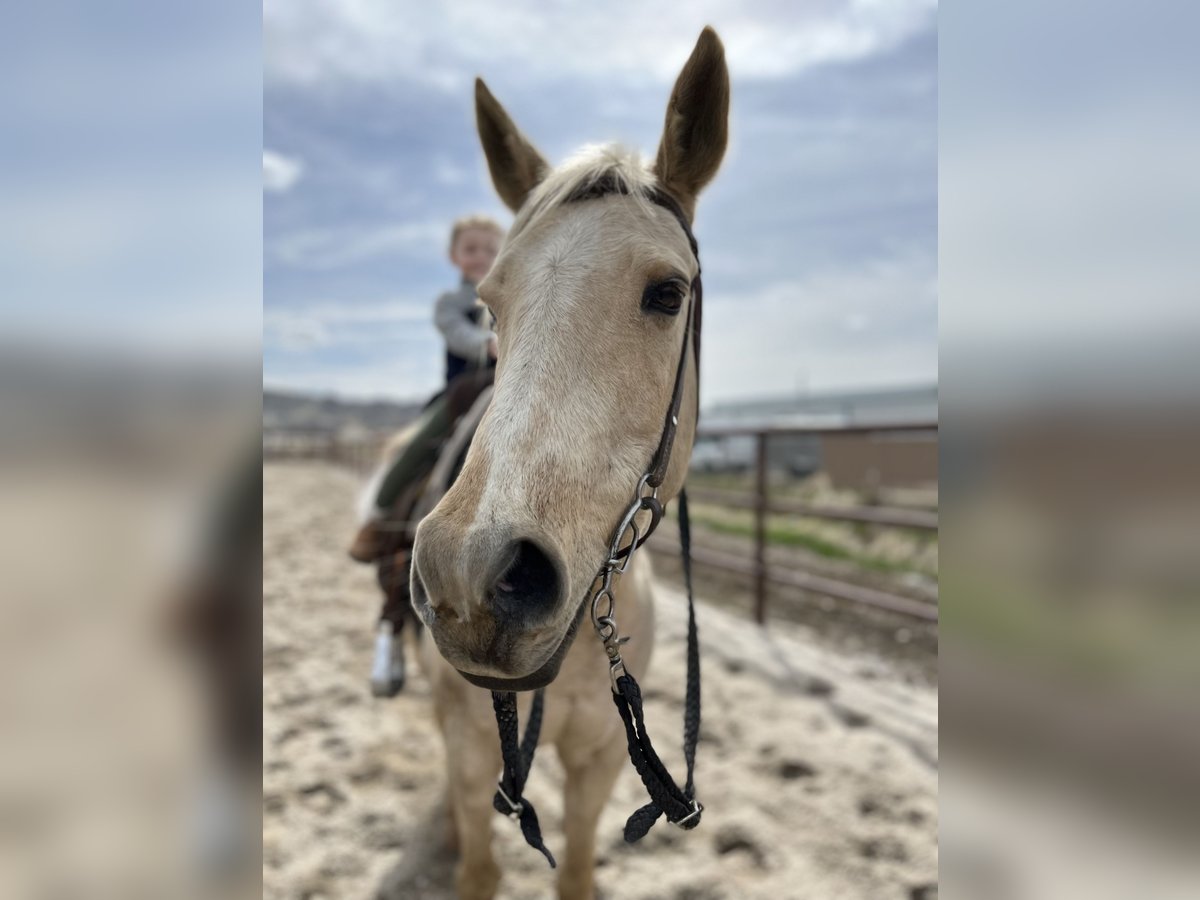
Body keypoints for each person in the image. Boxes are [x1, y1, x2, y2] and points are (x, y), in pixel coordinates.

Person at [348, 214, 503, 695]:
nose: (480, 257)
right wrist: (492, 342)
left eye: (488, 249)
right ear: (456, 257)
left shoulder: (518, 288)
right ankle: (382, 515)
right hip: (465, 389)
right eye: (471, 249)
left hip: (513, 385)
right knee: (418, 446)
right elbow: (460, 335)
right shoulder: (450, 303)